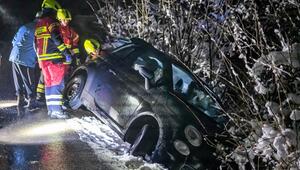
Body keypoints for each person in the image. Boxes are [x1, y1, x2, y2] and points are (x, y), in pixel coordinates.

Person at [35, 0, 72, 119]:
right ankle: (57, 111)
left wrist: (39, 57)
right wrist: (66, 53)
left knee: (49, 84)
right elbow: (56, 39)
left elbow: (35, 43)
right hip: (54, 59)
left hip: (43, 60)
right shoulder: (51, 22)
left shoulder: (39, 23)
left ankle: (51, 110)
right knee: (57, 84)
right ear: (53, 10)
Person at [9, 21, 38, 109]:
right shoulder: (38, 29)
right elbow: (37, 45)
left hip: (14, 55)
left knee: (17, 78)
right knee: (27, 78)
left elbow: (14, 41)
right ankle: (31, 98)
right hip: (26, 58)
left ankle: (20, 98)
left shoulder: (24, 26)